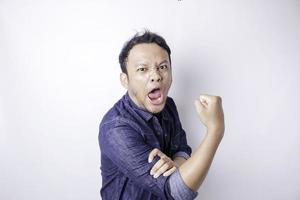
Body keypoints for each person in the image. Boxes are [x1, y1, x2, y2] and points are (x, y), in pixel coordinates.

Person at [98, 30, 225, 200]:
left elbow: (182, 149)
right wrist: (215, 129)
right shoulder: (115, 128)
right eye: (143, 69)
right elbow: (176, 192)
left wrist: (176, 164)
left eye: (163, 67)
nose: (156, 76)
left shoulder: (169, 105)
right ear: (125, 80)